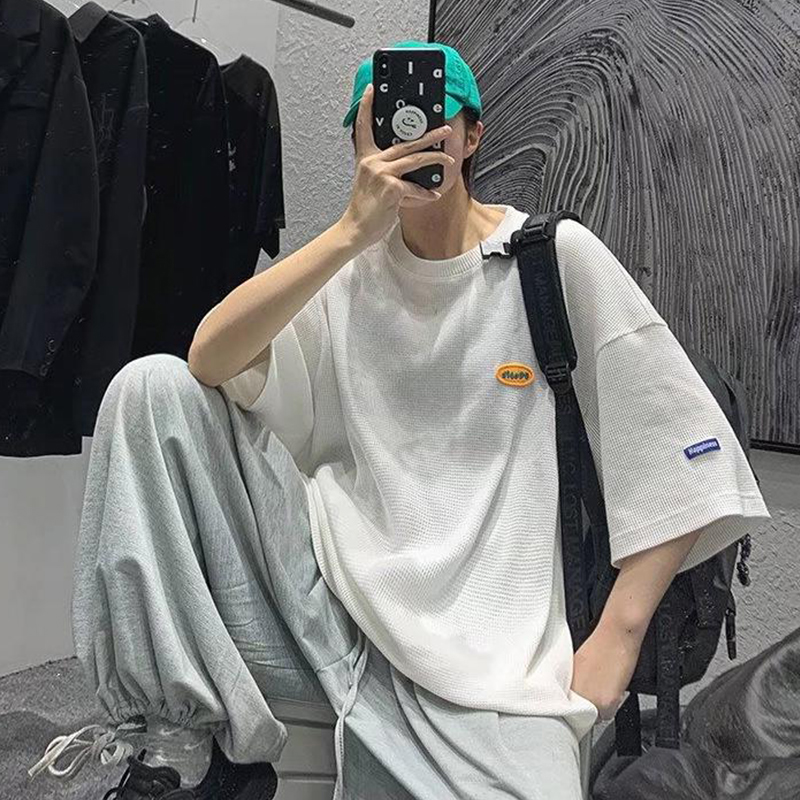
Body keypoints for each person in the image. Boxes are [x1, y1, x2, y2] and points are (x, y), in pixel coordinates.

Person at [27, 40, 770, 800]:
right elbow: (210, 357)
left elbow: (682, 444)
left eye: (430, 117)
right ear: (359, 145)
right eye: (382, 123)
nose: (408, 135)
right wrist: (349, 233)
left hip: (491, 654)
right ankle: (176, 745)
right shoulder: (346, 271)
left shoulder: (547, 259)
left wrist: (619, 634)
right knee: (150, 387)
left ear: (471, 136)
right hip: (324, 613)